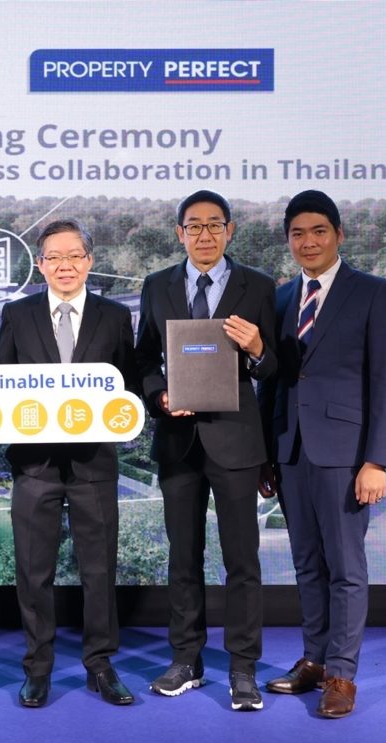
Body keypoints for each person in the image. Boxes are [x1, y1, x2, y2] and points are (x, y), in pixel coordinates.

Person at [258, 189, 386, 718]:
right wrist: (266, 454)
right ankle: (314, 661)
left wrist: (377, 461)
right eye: (298, 233)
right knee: (306, 564)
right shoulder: (280, 298)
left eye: (318, 231)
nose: (308, 241)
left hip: (346, 455)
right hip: (290, 451)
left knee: (345, 567)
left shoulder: (373, 292)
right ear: (288, 241)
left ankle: (342, 675)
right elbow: (272, 382)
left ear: (338, 234)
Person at [134, 189, 277, 711]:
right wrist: (160, 397)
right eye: (193, 226)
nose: (204, 234)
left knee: (242, 561)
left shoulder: (259, 286)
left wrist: (257, 349)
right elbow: (143, 360)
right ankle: (186, 659)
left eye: (215, 224)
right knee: (183, 557)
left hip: (237, 440)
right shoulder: (156, 286)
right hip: (178, 441)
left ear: (230, 230)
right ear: (180, 234)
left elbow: (276, 368)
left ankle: (243, 668)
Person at [0, 219, 139, 707]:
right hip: (34, 464)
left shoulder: (114, 316)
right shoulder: (17, 315)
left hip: (93, 463)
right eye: (54, 257)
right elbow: (2, 385)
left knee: (99, 571)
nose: (65, 265)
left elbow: (128, 389)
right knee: (33, 571)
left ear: (89, 261)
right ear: (40, 265)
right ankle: (38, 668)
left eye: (74, 256)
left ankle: (100, 664)